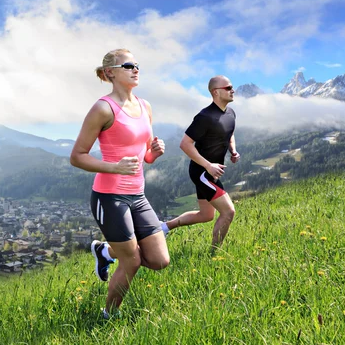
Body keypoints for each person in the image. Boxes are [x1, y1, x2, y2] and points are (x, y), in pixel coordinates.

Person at [70, 48, 170, 319]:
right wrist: (114, 167)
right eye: (128, 65)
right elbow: (77, 157)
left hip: (138, 195)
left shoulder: (145, 106)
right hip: (109, 196)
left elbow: (144, 156)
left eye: (137, 65)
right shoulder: (103, 108)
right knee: (133, 260)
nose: (135, 69)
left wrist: (155, 153)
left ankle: (104, 250)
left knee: (160, 260)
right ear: (110, 73)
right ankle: (109, 315)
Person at [161, 75, 240, 250]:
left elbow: (229, 133)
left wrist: (233, 150)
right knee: (228, 212)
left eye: (232, 87)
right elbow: (185, 144)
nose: (232, 90)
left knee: (206, 215)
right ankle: (214, 254)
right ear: (216, 92)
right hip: (202, 172)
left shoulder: (230, 113)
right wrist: (208, 166)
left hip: (210, 172)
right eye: (228, 88)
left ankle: (164, 227)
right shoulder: (205, 116)